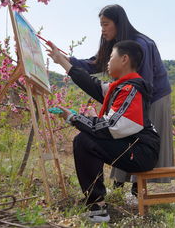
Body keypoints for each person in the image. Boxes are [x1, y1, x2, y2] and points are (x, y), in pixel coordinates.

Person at [47, 40, 160, 223]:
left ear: (124, 59)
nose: (107, 62)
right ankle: (96, 204)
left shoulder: (130, 89)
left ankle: (97, 208)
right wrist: (61, 60)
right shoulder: (120, 87)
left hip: (142, 152)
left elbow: (112, 127)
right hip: (134, 147)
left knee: (84, 141)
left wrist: (74, 118)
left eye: (111, 57)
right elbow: (91, 83)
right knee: (87, 138)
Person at [68, 4, 173, 198]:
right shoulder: (116, 46)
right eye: (101, 25)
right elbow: (96, 63)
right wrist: (68, 62)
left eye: (106, 24)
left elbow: (145, 84)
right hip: (131, 93)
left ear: (118, 22)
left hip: (153, 97)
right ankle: (120, 187)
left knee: (136, 138)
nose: (103, 29)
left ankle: (136, 192)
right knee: (122, 132)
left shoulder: (141, 44)